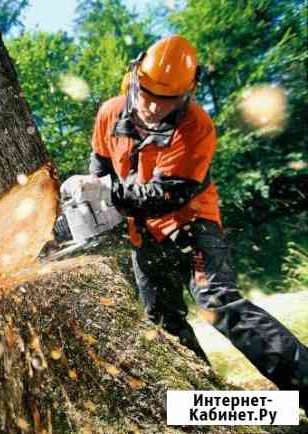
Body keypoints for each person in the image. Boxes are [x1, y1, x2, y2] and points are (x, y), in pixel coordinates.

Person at [84, 34, 307, 407]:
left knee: (219, 304)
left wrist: (110, 195)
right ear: (136, 78)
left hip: (192, 226)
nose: (153, 107)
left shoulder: (196, 126)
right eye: (147, 95)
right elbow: (101, 167)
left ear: (185, 94)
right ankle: (209, 408)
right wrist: (91, 196)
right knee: (163, 323)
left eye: (166, 100)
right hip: (143, 237)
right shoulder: (110, 113)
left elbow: (165, 197)